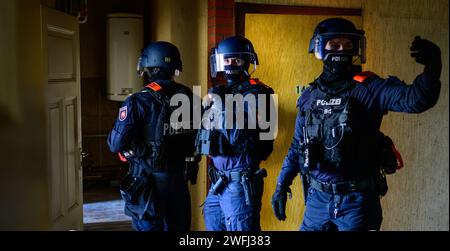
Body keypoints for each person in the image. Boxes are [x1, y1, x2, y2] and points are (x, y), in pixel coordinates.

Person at [271, 18, 441, 231]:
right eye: (334, 45)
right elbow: (297, 146)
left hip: (356, 203)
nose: (341, 50)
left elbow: (416, 100)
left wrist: (432, 68)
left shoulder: (371, 88)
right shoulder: (309, 96)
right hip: (317, 201)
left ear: (356, 48)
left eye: (347, 45)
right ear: (320, 47)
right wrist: (281, 185)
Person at [107, 41, 198, 231]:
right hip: (179, 180)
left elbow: (115, 144)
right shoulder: (189, 96)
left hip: (148, 183)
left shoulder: (138, 101)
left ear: (149, 66)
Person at [197, 36, 275, 231]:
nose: (231, 65)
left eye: (237, 60)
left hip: (239, 183)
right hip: (218, 181)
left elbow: (236, 135)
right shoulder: (223, 91)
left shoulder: (258, 93)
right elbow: (205, 133)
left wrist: (222, 103)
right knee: (213, 222)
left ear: (247, 62)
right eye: (227, 60)